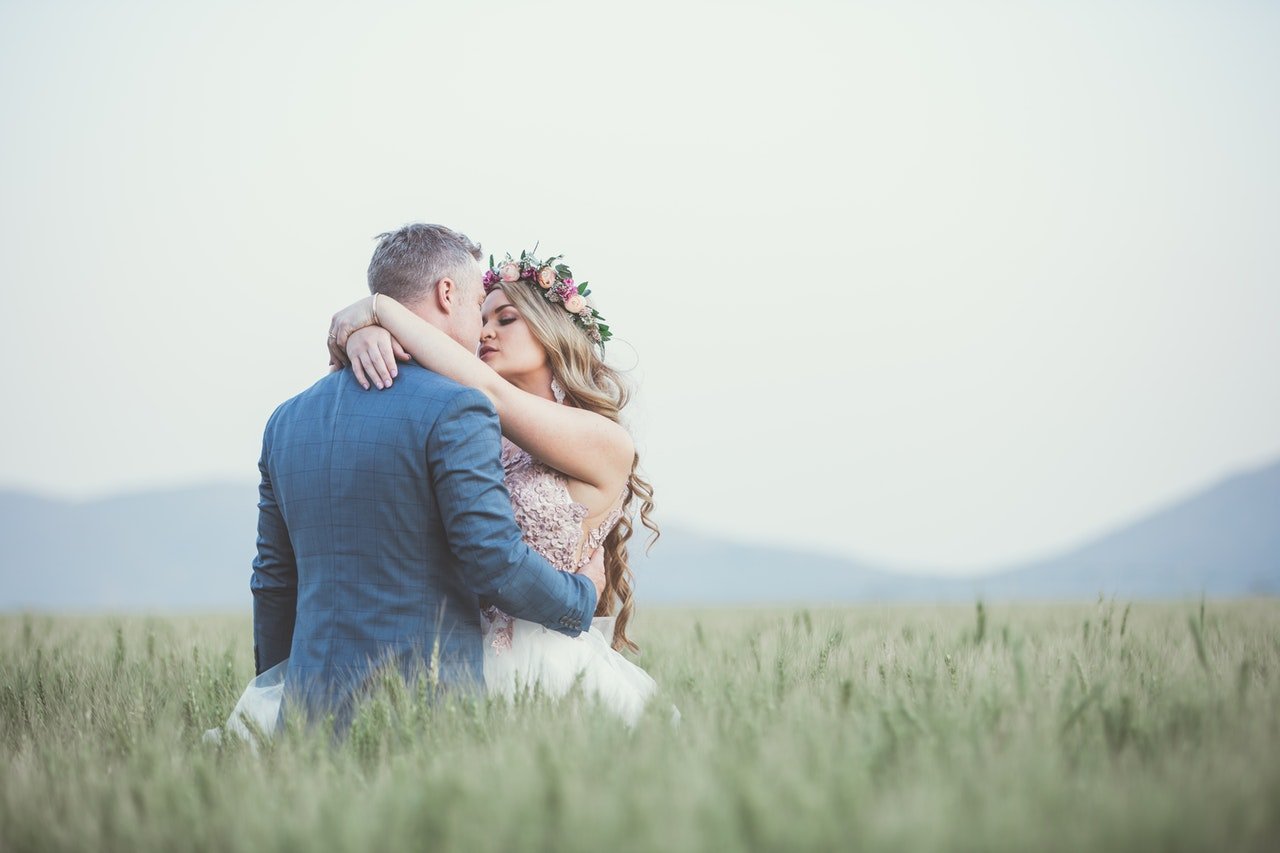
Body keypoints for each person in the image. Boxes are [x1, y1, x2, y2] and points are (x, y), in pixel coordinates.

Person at [214, 224, 606, 742]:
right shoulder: (457, 406)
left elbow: (273, 582)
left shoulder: (286, 421)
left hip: (307, 711)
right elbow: (492, 559)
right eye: (475, 307)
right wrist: (581, 600)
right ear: (447, 294)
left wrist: (277, 690)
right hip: (427, 707)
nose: (481, 330)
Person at [325, 245, 662, 725]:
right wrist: (362, 339)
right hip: (450, 666)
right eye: (481, 317)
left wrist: (380, 308)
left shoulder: (606, 441)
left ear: (552, 332)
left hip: (548, 670)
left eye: (504, 319)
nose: (483, 331)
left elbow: (489, 390)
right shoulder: (475, 431)